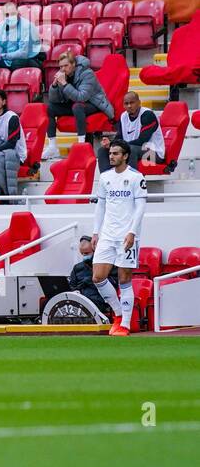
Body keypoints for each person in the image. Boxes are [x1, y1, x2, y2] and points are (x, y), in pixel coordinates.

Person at [89, 139, 147, 336]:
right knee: (97, 277)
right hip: (107, 235)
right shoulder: (105, 177)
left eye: (115, 154)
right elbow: (100, 206)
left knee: (125, 279)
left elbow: (140, 208)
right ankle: (119, 313)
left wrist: (132, 232)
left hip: (126, 236)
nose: (111, 156)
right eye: (111, 153)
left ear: (125, 156)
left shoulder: (136, 177)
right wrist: (96, 232)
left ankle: (126, 324)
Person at [42, 51, 115, 159]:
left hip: (94, 103)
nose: (63, 69)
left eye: (66, 65)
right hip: (75, 103)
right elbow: (54, 99)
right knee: (50, 108)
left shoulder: (87, 73)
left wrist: (65, 84)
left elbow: (82, 97)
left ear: (73, 64)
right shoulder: (63, 76)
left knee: (77, 106)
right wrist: (54, 86)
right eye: (61, 66)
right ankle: (53, 147)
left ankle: (81, 145)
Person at [96, 91, 164, 171]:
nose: (129, 106)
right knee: (103, 150)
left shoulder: (147, 115)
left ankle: (130, 181)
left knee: (131, 149)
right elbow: (119, 138)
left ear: (139, 103)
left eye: (132, 103)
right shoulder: (123, 116)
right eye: (126, 103)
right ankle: (107, 180)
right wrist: (110, 144)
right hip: (129, 148)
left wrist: (119, 146)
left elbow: (142, 141)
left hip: (153, 153)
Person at [0, 3, 45, 70]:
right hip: (8, 58)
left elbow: (23, 53)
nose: (10, 17)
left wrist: (1, 56)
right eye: (7, 15)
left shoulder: (27, 26)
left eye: (12, 14)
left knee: (16, 64)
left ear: (18, 14)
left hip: (31, 58)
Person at [69, 235, 115, 316]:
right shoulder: (77, 267)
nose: (84, 256)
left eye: (86, 253)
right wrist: (76, 290)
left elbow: (114, 283)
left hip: (99, 300)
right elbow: (72, 286)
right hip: (81, 299)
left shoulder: (107, 264)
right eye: (82, 254)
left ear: (95, 251)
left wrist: (90, 281)